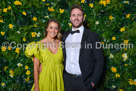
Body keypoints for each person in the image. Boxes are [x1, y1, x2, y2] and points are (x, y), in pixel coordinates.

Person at [62, 5, 104, 91]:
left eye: (79, 15)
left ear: (83, 18)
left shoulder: (93, 36)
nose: (76, 18)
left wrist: (93, 82)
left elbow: (100, 60)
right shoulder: (65, 36)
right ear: (70, 18)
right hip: (67, 81)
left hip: (85, 82)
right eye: (73, 15)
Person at [25, 19, 64, 91]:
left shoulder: (63, 45)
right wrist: (36, 86)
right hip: (44, 80)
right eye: (51, 27)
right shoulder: (37, 46)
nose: (53, 30)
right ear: (46, 29)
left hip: (59, 81)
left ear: (58, 30)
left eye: (56, 28)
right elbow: (36, 67)